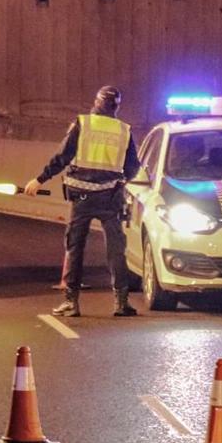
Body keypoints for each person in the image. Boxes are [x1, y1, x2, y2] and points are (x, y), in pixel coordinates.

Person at [23, 85, 141, 317]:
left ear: (97, 102)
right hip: (110, 197)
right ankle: (120, 302)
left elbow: (63, 156)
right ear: (117, 107)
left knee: (75, 247)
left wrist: (40, 179)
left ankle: (71, 302)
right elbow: (133, 167)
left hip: (82, 196)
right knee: (116, 249)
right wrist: (120, 181)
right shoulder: (124, 130)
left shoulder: (83, 124)